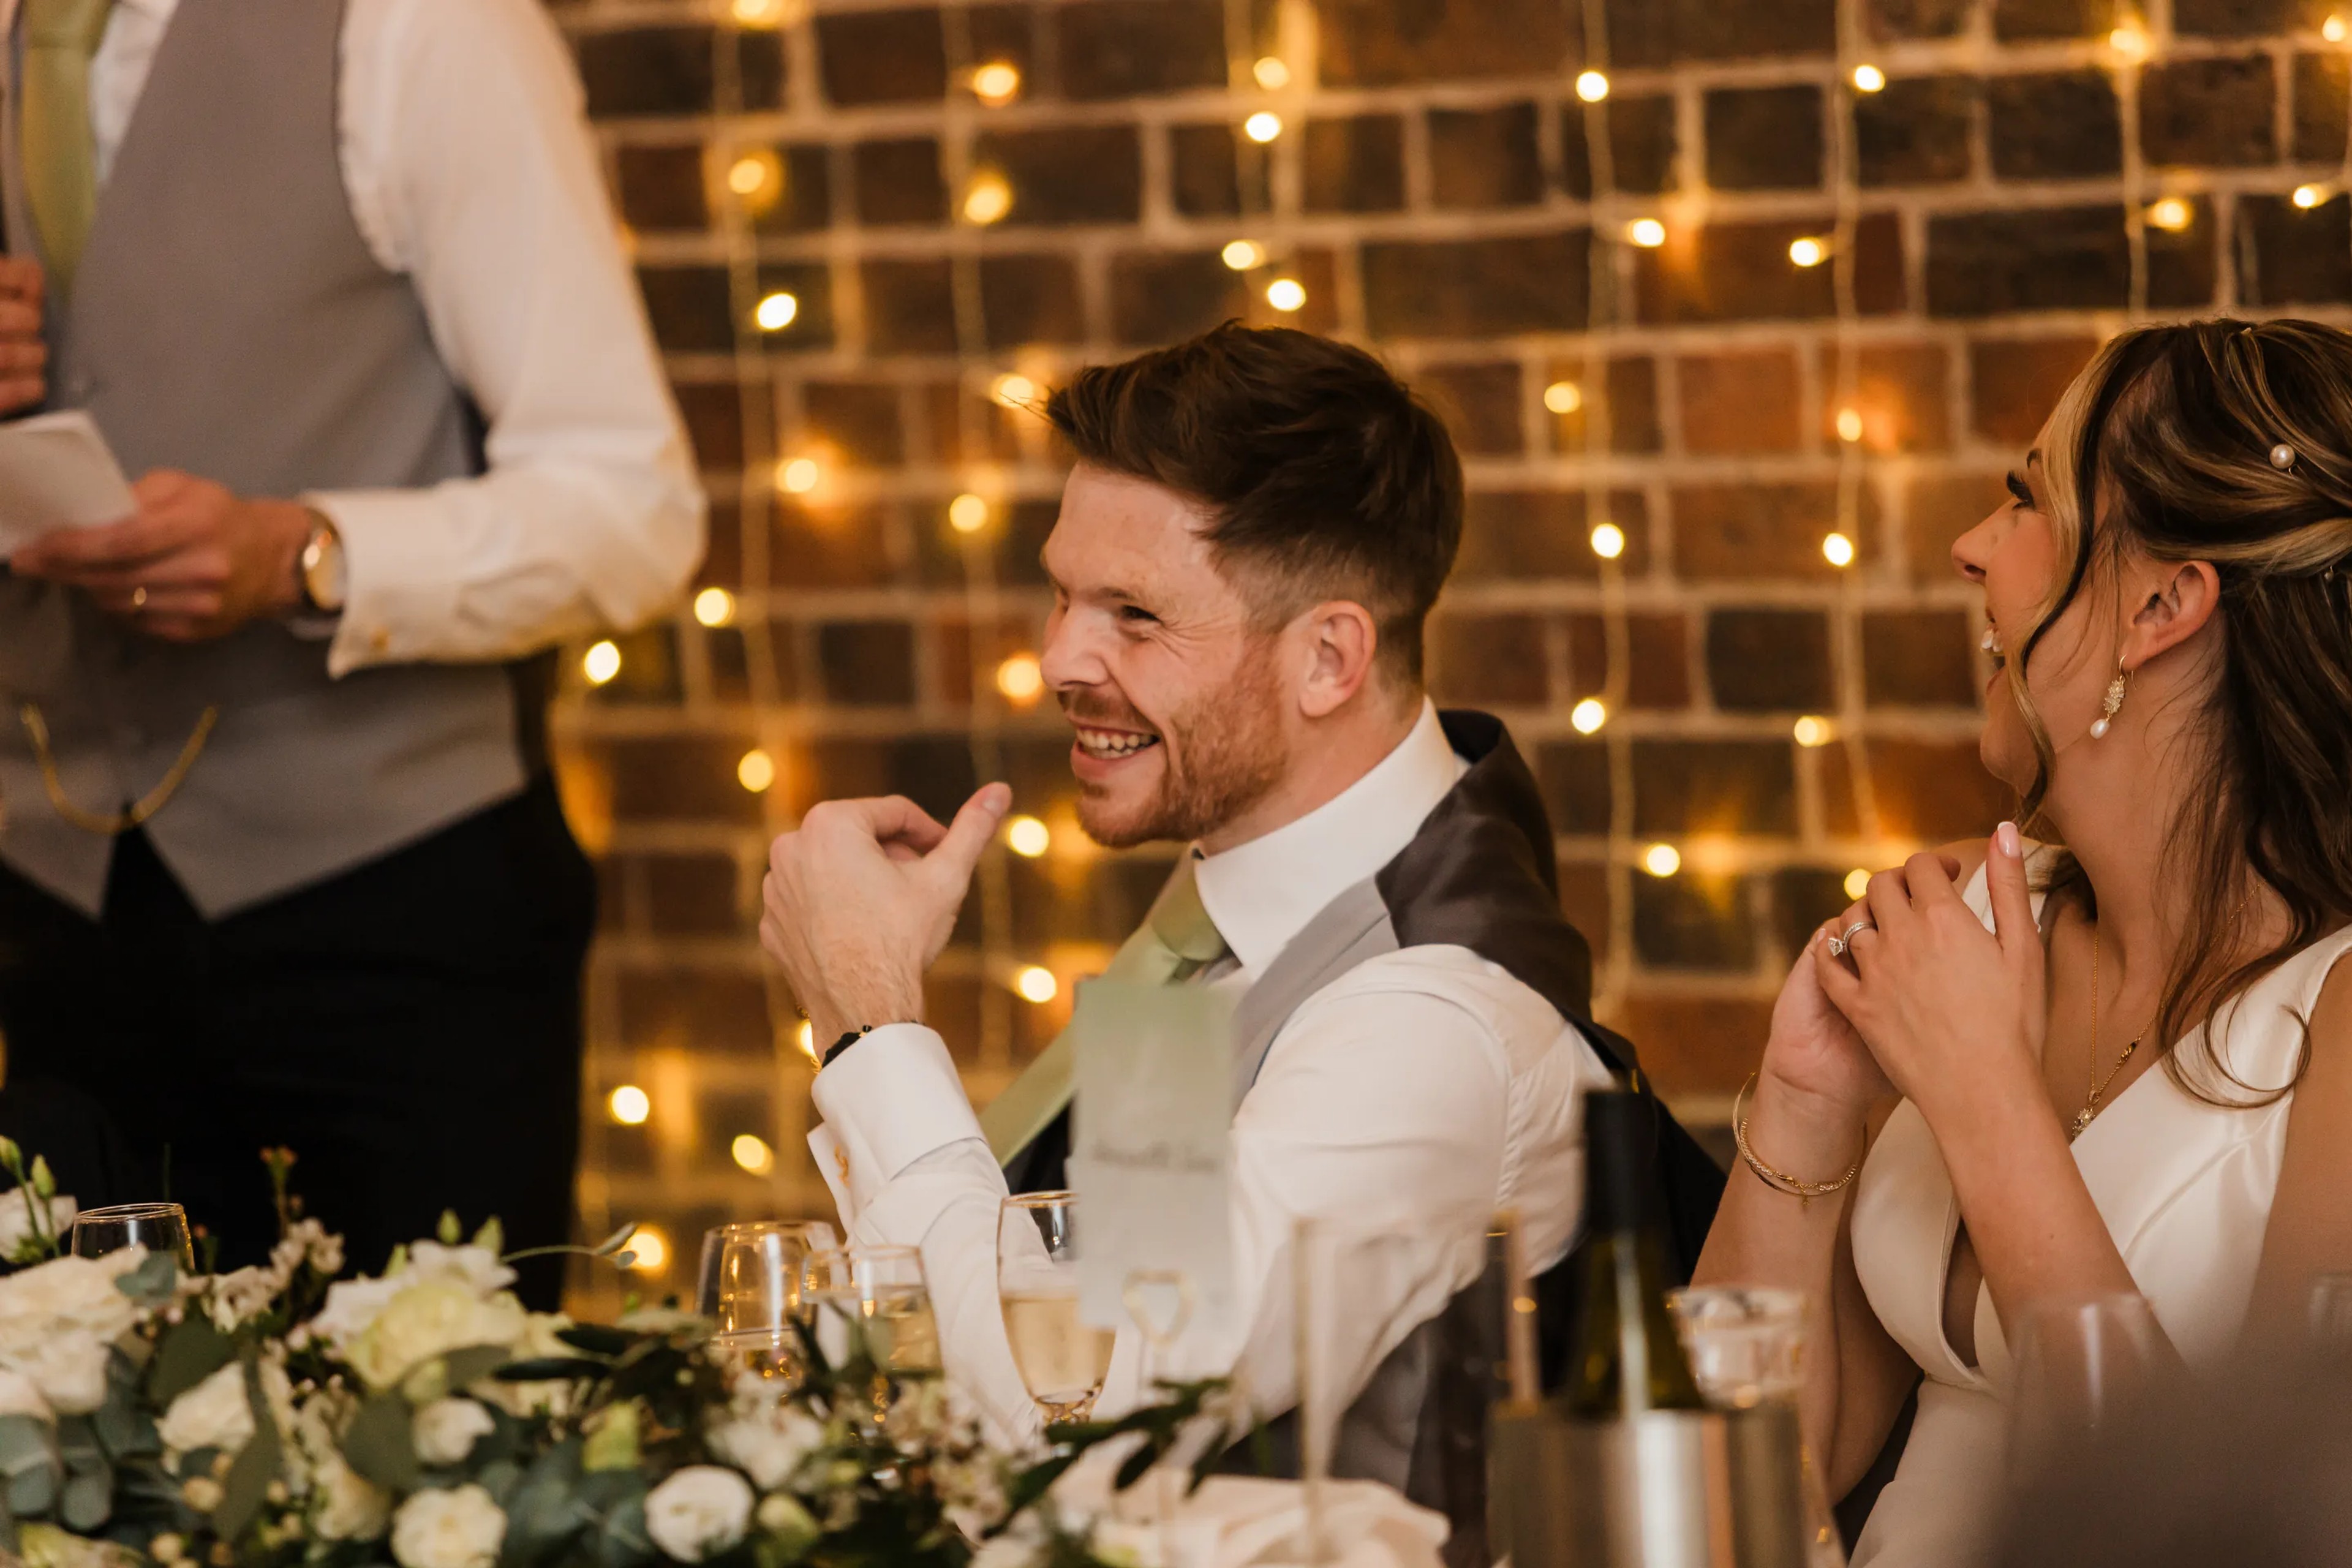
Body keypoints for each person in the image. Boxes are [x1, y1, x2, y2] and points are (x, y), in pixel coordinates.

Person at [759, 325, 1718, 1492]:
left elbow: (1066, 1439)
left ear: (1330, 660)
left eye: (1136, 615)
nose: (1060, 657)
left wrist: (869, 1020)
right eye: (1062, 595)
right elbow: (1090, 1315)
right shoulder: (1208, 928)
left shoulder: (1429, 1026)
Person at [0, 0, 703, 1298]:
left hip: (393, 924)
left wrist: (313, 554)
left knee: (446, 1462)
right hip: (45, 931)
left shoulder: (421, 29)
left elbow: (634, 506)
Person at [1693, 318, 2352, 1565]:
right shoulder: (1990, 934)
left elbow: (2241, 1542)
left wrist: (1984, 1097)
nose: (1971, 548)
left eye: (2026, 499)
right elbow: (1735, 1487)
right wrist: (1804, 1100)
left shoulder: (2341, 1017)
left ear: (2163, 603)